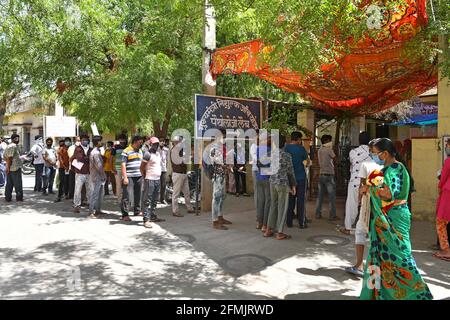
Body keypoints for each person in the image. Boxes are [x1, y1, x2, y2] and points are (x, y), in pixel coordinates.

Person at [360, 138, 432, 300]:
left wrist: (370, 189)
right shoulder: (383, 170)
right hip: (385, 218)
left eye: (375, 153)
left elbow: (388, 194)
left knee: (400, 257)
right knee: (379, 255)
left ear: (384, 154)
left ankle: (416, 293)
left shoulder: (394, 169)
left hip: (394, 217)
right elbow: (370, 187)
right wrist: (367, 188)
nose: (373, 156)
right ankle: (377, 292)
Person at [345, 139, 382, 277]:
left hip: (370, 203)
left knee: (362, 231)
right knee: (372, 234)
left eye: (373, 152)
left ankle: (362, 266)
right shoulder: (393, 167)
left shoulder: (362, 160)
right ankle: (370, 268)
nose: (372, 154)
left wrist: (365, 191)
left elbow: (363, 186)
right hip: (383, 207)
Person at [266, 135, 296, 240]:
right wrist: (293, 185)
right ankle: (280, 232)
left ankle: (268, 229)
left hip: (272, 182)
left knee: (273, 206)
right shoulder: (287, 155)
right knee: (282, 208)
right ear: (284, 144)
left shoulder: (270, 154)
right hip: (282, 183)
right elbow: (290, 172)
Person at [341, 132, 371, 234]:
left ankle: (348, 227)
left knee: (351, 204)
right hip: (368, 183)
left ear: (359, 140)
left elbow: (352, 165)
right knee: (366, 206)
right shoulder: (373, 153)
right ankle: (367, 228)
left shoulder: (353, 152)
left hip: (355, 180)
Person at [285, 131, 309, 229]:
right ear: (298, 139)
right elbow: (307, 161)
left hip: (289, 178)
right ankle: (301, 223)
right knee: (301, 201)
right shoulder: (301, 149)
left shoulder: (286, 148)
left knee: (290, 200)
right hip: (300, 178)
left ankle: (289, 222)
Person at [208, 129, 232, 230]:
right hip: (217, 175)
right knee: (216, 197)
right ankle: (215, 221)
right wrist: (227, 165)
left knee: (222, 196)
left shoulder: (222, 147)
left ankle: (220, 216)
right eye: (223, 136)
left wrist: (229, 165)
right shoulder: (213, 148)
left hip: (223, 174)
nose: (225, 138)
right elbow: (217, 161)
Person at [141, 137, 166, 228]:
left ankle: (153, 216)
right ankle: (146, 219)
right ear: (151, 144)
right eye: (154, 144)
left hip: (157, 179)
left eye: (157, 144)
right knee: (147, 199)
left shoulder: (158, 154)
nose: (156, 145)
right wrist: (145, 177)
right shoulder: (147, 154)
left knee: (155, 199)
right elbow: (142, 167)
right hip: (150, 179)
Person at [120, 135, 144, 221]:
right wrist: (125, 177)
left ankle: (137, 211)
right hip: (129, 176)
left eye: (141, 143)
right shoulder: (126, 151)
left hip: (139, 176)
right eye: (139, 143)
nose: (141, 144)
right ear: (134, 142)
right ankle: (125, 214)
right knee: (127, 195)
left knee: (138, 194)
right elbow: (123, 164)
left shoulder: (141, 151)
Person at [315, 135, 338, 221]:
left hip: (321, 173)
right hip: (329, 174)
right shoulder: (329, 149)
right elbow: (335, 159)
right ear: (327, 140)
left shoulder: (320, 150)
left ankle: (318, 213)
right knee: (331, 196)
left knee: (320, 196)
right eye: (330, 140)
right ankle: (332, 215)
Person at [170, 136, 195, 217]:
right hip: (178, 174)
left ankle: (189, 208)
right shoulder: (174, 151)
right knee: (176, 194)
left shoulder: (180, 150)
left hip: (183, 173)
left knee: (187, 192)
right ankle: (175, 211)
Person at [434, 140, 450, 261]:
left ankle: (446, 250)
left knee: (440, 222)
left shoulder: (448, 161)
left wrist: (439, 187)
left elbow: (443, 178)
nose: (446, 148)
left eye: (447, 146)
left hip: (447, 193)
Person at [256, 132, 272, 231]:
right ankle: (265, 225)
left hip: (259, 177)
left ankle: (259, 222)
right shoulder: (270, 150)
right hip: (267, 178)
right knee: (268, 201)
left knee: (260, 201)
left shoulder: (258, 149)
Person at [88, 135, 106, 219]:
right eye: (101, 141)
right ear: (98, 142)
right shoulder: (95, 152)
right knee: (95, 194)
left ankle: (98, 210)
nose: (102, 142)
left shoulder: (97, 151)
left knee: (99, 194)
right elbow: (98, 166)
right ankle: (91, 212)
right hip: (96, 176)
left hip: (98, 175)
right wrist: (103, 174)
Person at [73, 135, 92, 213]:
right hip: (80, 173)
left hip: (89, 172)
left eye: (86, 140)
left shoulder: (90, 149)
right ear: (81, 141)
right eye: (83, 140)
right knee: (78, 189)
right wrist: (88, 158)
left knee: (90, 189)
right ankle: (77, 205)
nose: (85, 141)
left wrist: (87, 158)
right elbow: (79, 158)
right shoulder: (78, 149)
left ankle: (90, 203)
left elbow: (93, 158)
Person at [4, 133, 23, 202]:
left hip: (12, 167)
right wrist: (8, 168)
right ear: (13, 139)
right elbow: (9, 158)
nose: (18, 140)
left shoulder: (11, 146)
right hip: (14, 168)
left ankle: (8, 198)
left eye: (18, 138)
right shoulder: (13, 146)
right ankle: (19, 198)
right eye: (16, 138)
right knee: (18, 184)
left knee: (9, 184)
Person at [113, 134, 127, 202]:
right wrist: (112, 168)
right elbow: (111, 158)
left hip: (126, 169)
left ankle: (125, 198)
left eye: (123, 139)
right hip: (117, 168)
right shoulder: (115, 147)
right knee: (118, 184)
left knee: (126, 184)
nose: (122, 141)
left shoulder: (127, 148)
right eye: (121, 139)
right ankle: (119, 199)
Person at [159, 138, 169, 205]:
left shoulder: (166, 150)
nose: (162, 142)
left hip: (163, 169)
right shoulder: (155, 149)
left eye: (163, 141)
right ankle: (154, 199)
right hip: (156, 169)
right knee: (155, 185)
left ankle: (162, 199)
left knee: (163, 185)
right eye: (161, 141)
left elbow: (167, 160)